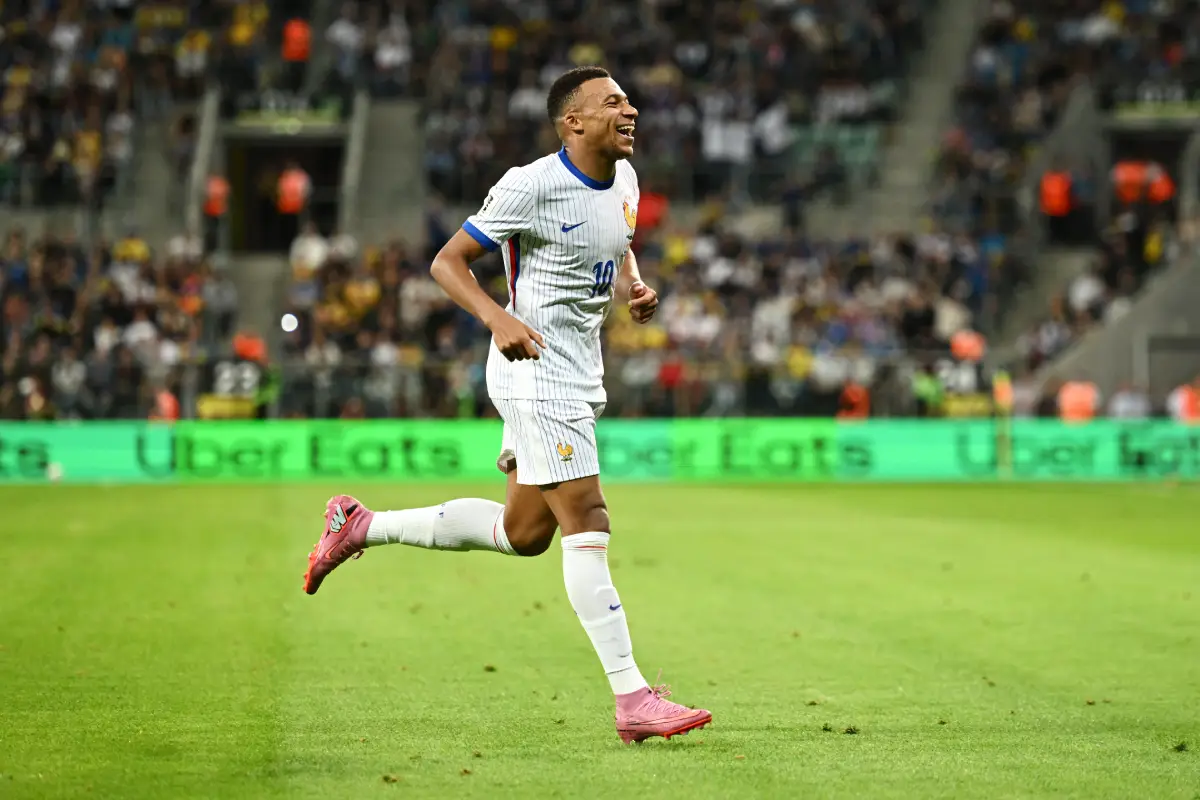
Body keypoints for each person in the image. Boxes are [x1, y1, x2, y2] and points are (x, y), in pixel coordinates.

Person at [301, 67, 711, 744]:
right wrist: (497, 318)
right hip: (534, 371)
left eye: (628, 101)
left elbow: (619, 246)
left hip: (579, 372)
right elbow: (447, 262)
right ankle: (633, 698)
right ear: (573, 122)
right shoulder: (532, 184)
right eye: (613, 102)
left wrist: (634, 287)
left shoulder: (627, 181)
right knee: (588, 517)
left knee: (524, 534)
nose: (630, 110)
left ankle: (360, 525)